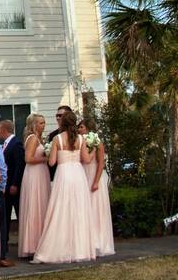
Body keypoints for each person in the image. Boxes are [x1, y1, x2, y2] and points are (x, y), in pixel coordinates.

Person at [33, 111, 95, 264]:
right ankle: (79, 249)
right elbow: (87, 160)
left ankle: (58, 248)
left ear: (63, 123)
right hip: (78, 175)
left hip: (64, 175)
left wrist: (49, 152)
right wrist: (93, 150)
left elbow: (52, 162)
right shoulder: (81, 139)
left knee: (61, 210)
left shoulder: (57, 139)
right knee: (79, 210)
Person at [78, 119, 115, 257]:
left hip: (94, 175)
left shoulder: (98, 143)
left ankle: (99, 242)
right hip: (83, 175)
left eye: (81, 127)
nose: (79, 130)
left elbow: (101, 163)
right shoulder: (81, 143)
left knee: (96, 210)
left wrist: (96, 181)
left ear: (88, 128)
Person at [18, 113, 50, 258]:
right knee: (35, 206)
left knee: (41, 206)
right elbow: (29, 158)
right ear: (34, 125)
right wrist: (45, 158)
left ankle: (40, 242)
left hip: (40, 173)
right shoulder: (32, 138)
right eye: (41, 123)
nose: (44, 125)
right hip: (35, 174)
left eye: (44, 123)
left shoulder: (39, 138)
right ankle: (33, 244)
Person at [0, 119, 23, 267]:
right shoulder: (5, 144)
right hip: (6, 187)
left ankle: (23, 242)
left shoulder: (16, 144)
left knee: (18, 213)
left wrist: (15, 183)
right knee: (5, 215)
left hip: (12, 187)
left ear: (4, 130)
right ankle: (4, 244)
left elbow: (19, 165)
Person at [46, 105, 72, 180]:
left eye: (60, 115)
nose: (58, 118)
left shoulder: (77, 134)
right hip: (58, 173)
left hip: (75, 171)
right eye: (57, 116)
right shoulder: (53, 135)